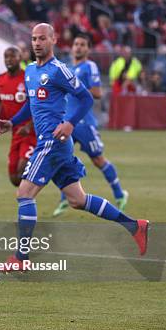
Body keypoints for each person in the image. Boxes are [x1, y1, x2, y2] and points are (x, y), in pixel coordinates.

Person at [0, 24, 149, 270]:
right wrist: (12, 122)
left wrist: (69, 123)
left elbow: (87, 97)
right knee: (77, 199)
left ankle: (19, 260)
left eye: (42, 38)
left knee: (24, 193)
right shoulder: (31, 70)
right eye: (34, 38)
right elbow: (31, 104)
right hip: (55, 144)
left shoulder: (59, 70)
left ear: (53, 40)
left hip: (52, 142)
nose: (36, 43)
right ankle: (135, 226)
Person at [52, 34, 128, 217]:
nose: (78, 47)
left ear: (88, 49)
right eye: (76, 44)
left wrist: (75, 86)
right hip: (67, 123)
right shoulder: (67, 68)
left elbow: (97, 92)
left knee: (98, 160)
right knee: (62, 159)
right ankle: (64, 199)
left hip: (84, 123)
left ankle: (119, 194)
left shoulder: (89, 66)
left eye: (82, 44)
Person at [0, 47, 35, 187]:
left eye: (13, 56)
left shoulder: (27, 77)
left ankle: (29, 197)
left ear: (20, 58)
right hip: (15, 131)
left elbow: (38, 104)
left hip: (31, 132)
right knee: (14, 178)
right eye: (6, 56)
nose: (9, 59)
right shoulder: (0, 79)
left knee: (22, 169)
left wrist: (29, 125)